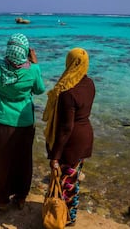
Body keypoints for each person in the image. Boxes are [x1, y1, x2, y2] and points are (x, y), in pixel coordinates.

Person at [0, 33, 45, 210]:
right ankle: (20, 197)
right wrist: (35, 63)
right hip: (24, 121)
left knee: (1, 161)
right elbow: (40, 90)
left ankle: (2, 200)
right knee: (23, 160)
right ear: (25, 51)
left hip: (0, 119)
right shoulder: (33, 70)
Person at [42, 48, 96, 226]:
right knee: (73, 180)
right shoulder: (90, 84)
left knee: (66, 183)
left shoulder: (67, 91)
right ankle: (70, 216)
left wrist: (55, 156)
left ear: (69, 63)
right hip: (85, 137)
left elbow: (66, 128)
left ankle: (64, 219)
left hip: (71, 143)